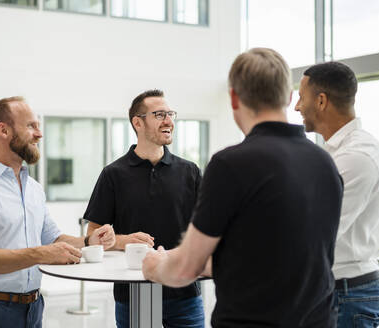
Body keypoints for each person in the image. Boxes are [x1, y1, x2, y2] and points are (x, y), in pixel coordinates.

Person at [142, 48, 344, 327]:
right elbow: (277, 255)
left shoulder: (230, 164)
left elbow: (185, 268)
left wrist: (155, 267)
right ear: (287, 97)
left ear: (235, 98)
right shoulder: (325, 162)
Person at [0, 96, 115, 328]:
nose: (39, 134)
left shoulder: (33, 188)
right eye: (31, 126)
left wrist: (88, 241)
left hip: (34, 306)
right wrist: (41, 254)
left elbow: (53, 239)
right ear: (3, 130)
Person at [83, 89, 205, 328]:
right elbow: (92, 235)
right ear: (137, 122)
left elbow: (205, 229)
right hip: (138, 291)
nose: (169, 121)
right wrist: (122, 240)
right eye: (160, 114)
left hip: (184, 289)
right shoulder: (114, 174)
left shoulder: (190, 172)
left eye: (170, 114)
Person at [294, 62, 379, 328]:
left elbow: (315, 231)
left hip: (347, 295)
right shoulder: (335, 152)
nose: (297, 107)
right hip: (335, 290)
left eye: (301, 97)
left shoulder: (356, 157)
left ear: (322, 100)